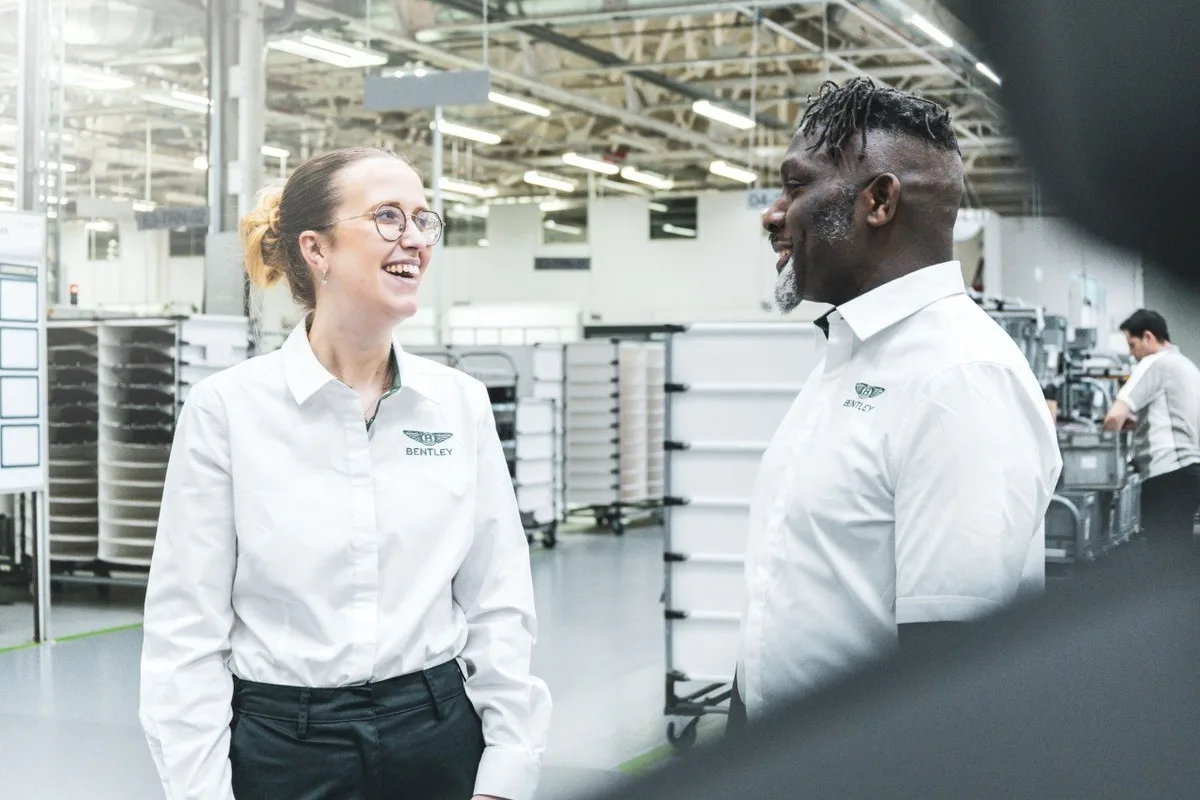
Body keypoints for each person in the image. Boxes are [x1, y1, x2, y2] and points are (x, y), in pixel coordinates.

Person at [138, 146, 551, 800]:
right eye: (388, 217)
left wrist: (507, 769)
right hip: (283, 747)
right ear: (316, 250)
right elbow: (186, 631)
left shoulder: (457, 403)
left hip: (438, 733)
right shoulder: (229, 410)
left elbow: (498, 601)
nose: (414, 239)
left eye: (423, 219)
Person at [729, 78, 1062, 728]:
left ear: (878, 200)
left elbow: (947, 681)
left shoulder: (960, 379)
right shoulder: (851, 351)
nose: (772, 215)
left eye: (796, 188)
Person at [1102, 309, 1200, 548]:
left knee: (1163, 553)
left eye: (1132, 344)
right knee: (1177, 550)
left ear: (1148, 337)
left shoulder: (1154, 362)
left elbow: (1114, 418)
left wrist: (1099, 453)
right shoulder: (1186, 366)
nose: (1131, 353)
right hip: (1189, 472)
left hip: (1167, 474)